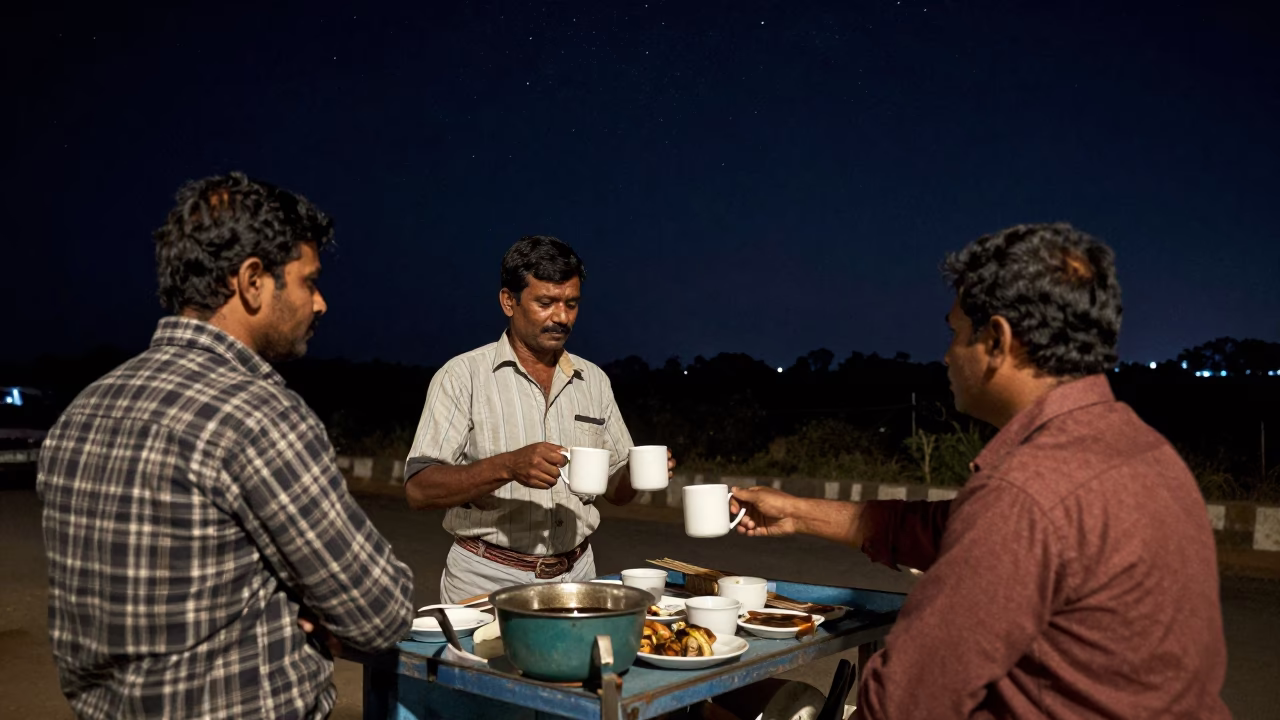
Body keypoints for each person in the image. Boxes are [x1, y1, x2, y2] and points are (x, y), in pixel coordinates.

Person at [731, 223, 1229, 719]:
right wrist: (796, 513)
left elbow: (907, 700)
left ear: (997, 340)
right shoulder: (1146, 452)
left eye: (955, 333)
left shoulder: (1026, 492)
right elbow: (940, 530)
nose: (947, 354)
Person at [38, 173, 414, 719]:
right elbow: (379, 612)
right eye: (309, 282)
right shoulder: (257, 415)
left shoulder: (83, 411)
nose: (321, 303)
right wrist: (304, 605)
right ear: (253, 280)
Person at [404, 235, 674, 603]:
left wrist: (639, 471)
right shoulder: (462, 375)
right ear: (508, 301)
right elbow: (419, 489)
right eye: (545, 303)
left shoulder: (592, 379)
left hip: (578, 575)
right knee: (488, 662)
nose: (561, 317)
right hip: (487, 579)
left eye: (572, 304)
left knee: (582, 663)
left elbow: (616, 491)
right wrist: (509, 466)